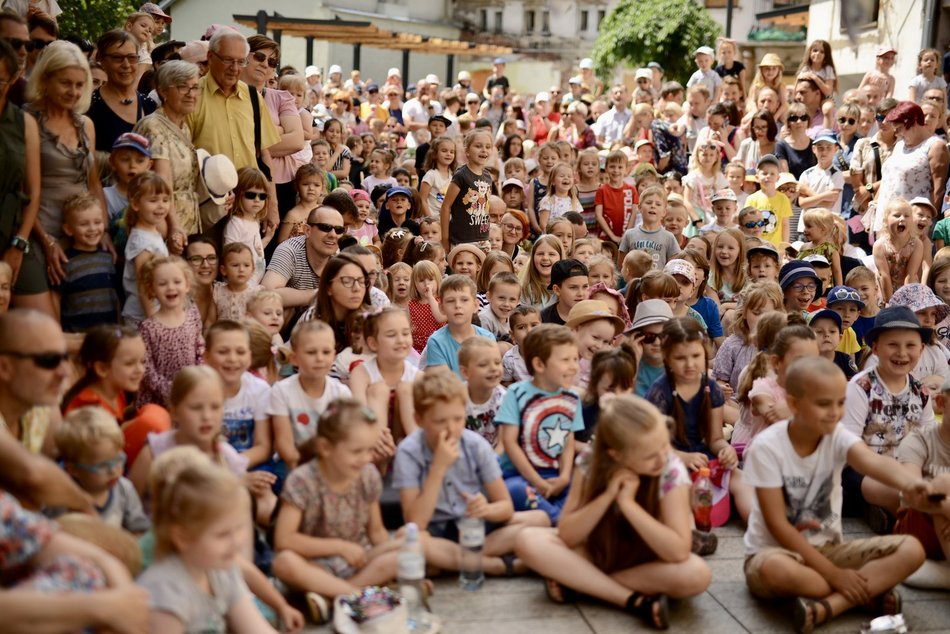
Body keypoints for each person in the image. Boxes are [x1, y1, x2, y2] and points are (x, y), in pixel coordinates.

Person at [742, 356, 931, 634]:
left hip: (830, 550)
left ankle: (829, 606)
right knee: (778, 572)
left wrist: (913, 484)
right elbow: (777, 526)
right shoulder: (767, 447)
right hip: (774, 553)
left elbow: (872, 463)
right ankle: (863, 593)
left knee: (913, 549)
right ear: (793, 404)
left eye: (840, 403)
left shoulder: (836, 434)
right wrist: (835, 576)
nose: (834, 412)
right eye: (823, 404)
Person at [515, 395, 711, 629]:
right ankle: (632, 600)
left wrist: (629, 505)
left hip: (647, 561)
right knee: (527, 539)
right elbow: (567, 534)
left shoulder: (670, 469)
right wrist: (608, 495)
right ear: (616, 454)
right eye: (650, 455)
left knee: (697, 574)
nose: (662, 458)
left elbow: (678, 551)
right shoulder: (591, 461)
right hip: (599, 551)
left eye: (663, 445)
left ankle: (580, 583)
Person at [394, 366, 547, 578]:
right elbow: (415, 522)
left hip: (475, 530)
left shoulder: (476, 445)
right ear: (419, 420)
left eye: (458, 419)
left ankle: (449, 563)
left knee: (540, 518)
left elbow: (505, 508)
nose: (451, 428)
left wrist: (486, 509)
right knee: (407, 537)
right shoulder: (408, 452)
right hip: (434, 532)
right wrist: (438, 468)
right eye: (440, 421)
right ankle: (496, 565)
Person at [137, 453, 278, 633]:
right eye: (222, 535)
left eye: (239, 528)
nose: (236, 543)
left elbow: (256, 629)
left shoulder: (221, 569)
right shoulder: (165, 592)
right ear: (183, 537)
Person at [186, 28, 279, 232]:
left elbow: (263, 154)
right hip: (209, 206)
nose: (235, 68)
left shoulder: (253, 97)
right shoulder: (192, 96)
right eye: (228, 60)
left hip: (248, 207)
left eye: (241, 61)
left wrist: (271, 204)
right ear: (210, 57)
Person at [0, 38, 51, 316]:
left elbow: (33, 191)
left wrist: (19, 244)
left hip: (14, 233)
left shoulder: (24, 123)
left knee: (44, 331)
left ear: (13, 79)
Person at [52, 406, 150, 534]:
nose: (114, 471)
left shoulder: (124, 489)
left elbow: (138, 530)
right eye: (103, 466)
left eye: (118, 459)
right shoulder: (59, 499)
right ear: (73, 469)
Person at [133, 59, 201, 237]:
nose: (190, 94)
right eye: (182, 87)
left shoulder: (182, 126)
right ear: (163, 91)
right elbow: (162, 182)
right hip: (163, 226)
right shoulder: (153, 126)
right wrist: (174, 227)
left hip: (185, 223)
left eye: (194, 87)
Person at [868, 102, 948, 237]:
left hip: (911, 226)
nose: (897, 133)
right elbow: (889, 179)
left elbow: (938, 190)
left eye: (899, 128)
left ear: (914, 121)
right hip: (886, 221)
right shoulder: (900, 146)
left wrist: (925, 225)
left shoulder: (935, 146)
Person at [136, 256, 205, 409]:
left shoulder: (192, 314)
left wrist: (197, 380)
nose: (170, 287)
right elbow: (146, 369)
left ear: (187, 285)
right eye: (162, 284)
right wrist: (170, 392)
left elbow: (200, 349)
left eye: (177, 282)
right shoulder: (147, 327)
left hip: (190, 392)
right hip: (157, 400)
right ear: (151, 289)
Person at [262, 205, 344, 311]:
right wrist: (319, 295)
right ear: (307, 230)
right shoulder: (290, 249)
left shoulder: (340, 256)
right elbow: (267, 294)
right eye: (325, 227)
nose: (333, 235)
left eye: (339, 230)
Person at [87, 30, 157, 152]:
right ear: (102, 61)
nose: (126, 64)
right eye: (117, 58)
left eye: (132, 58)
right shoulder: (89, 106)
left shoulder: (149, 105)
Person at [421, 274, 495, 376]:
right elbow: (443, 383)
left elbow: (490, 377)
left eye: (464, 300)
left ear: (475, 306)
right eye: (451, 301)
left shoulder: (488, 338)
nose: (457, 305)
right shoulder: (436, 342)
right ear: (441, 308)